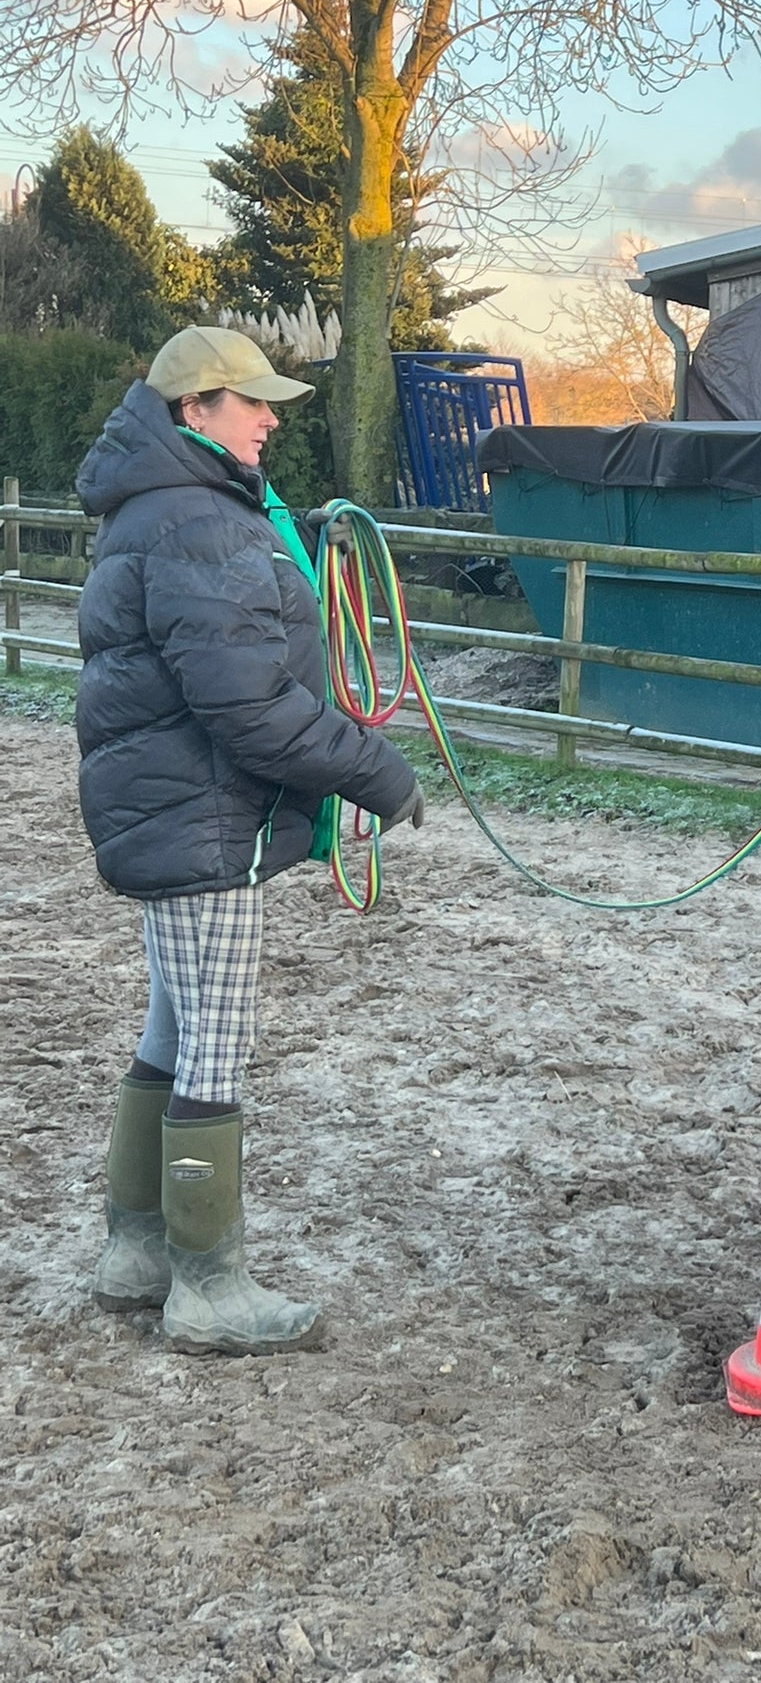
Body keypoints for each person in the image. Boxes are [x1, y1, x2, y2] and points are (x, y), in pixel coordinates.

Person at [75, 326, 425, 1356]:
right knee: (215, 1040)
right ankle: (207, 1286)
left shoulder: (167, 507)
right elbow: (249, 707)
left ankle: (137, 1250)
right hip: (205, 815)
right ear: (195, 410)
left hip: (170, 808)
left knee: (172, 1027)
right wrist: (374, 770)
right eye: (252, 401)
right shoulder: (199, 521)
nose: (271, 418)